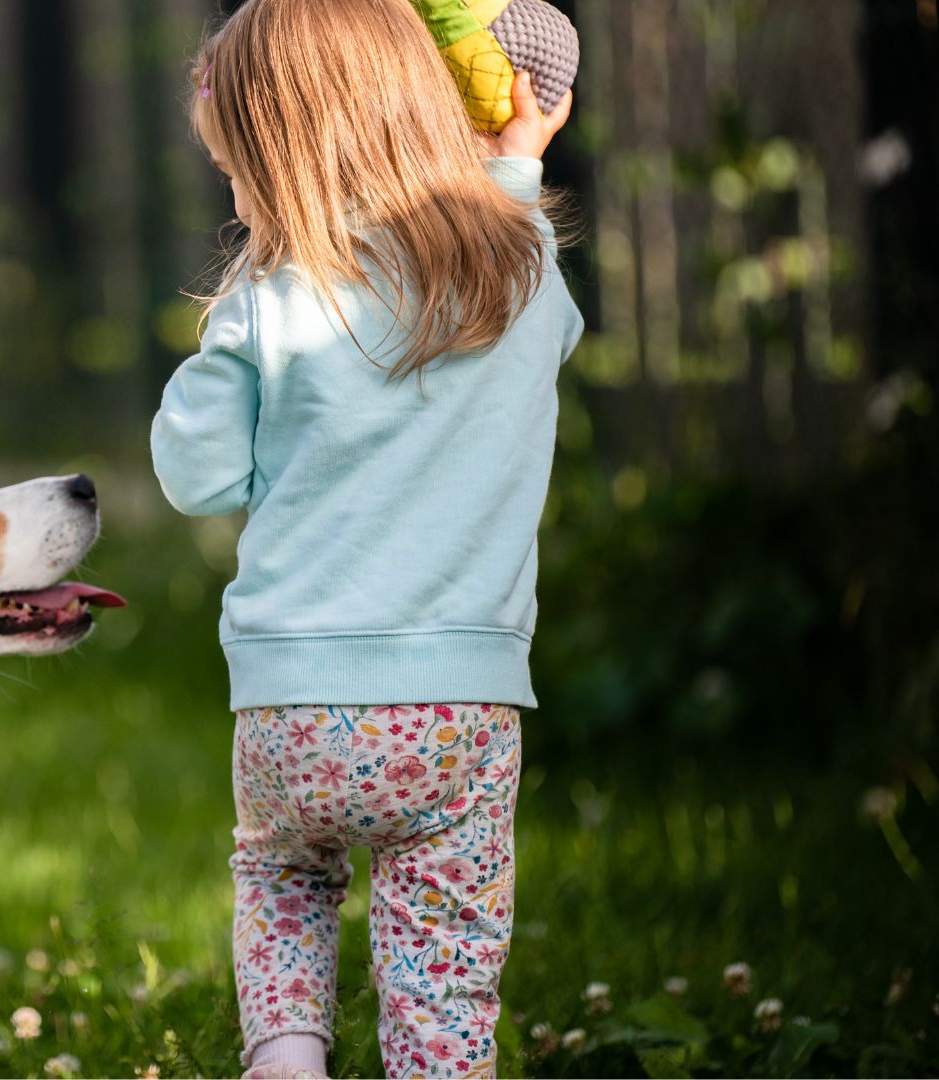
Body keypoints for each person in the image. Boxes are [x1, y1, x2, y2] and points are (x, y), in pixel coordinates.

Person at [149, 0, 580, 1075]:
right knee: (443, 950)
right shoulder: (517, 270)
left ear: (292, 159)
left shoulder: (273, 301)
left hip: (290, 709)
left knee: (284, 884)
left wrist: (231, 329)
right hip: (458, 714)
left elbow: (195, 478)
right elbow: (521, 254)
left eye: (239, 170)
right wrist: (515, 163)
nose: (238, 199)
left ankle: (287, 1059)